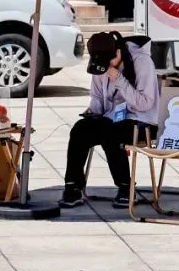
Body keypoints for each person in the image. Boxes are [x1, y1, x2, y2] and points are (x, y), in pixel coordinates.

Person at [59, 31, 159, 208]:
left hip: (142, 121)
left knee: (110, 132)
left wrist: (119, 79)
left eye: (108, 62)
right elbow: (97, 96)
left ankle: (126, 187)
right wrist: (93, 111)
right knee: (80, 129)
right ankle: (72, 186)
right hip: (111, 119)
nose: (106, 67)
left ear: (118, 52)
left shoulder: (142, 62)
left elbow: (145, 103)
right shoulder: (101, 65)